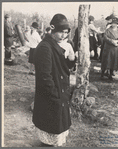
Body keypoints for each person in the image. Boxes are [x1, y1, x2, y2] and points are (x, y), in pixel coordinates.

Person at [32, 14, 76, 147]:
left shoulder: (59, 45)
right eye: (60, 32)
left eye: (66, 33)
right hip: (51, 94)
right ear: (52, 30)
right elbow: (45, 76)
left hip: (59, 91)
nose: (63, 36)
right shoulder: (45, 47)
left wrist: (71, 57)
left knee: (56, 126)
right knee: (51, 126)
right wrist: (55, 94)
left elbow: (65, 68)